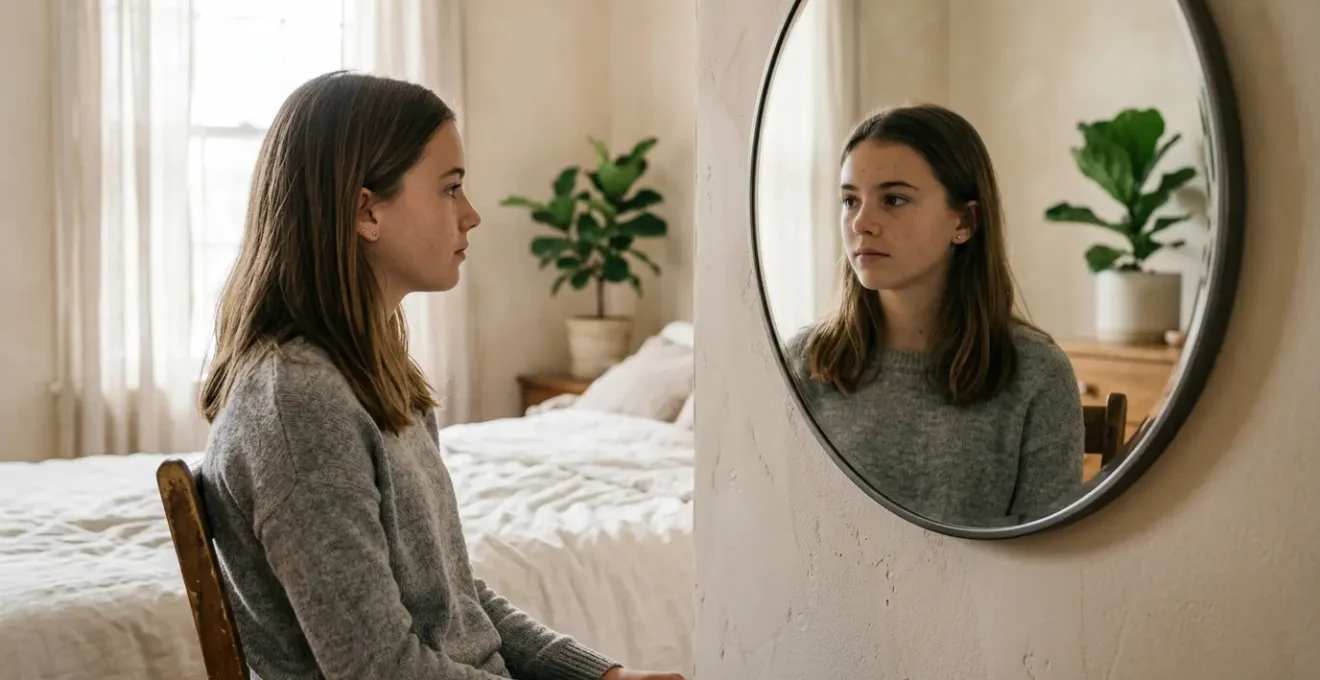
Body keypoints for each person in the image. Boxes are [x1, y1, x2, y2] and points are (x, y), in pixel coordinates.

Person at [198, 71, 684, 680]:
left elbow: (455, 603)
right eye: (450, 189)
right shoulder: (299, 404)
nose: (472, 214)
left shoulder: (378, 376)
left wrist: (601, 677)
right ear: (365, 211)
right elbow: (382, 671)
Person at [784, 103, 1084, 526]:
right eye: (849, 201)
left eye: (894, 199)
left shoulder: (1037, 374)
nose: (861, 223)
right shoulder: (804, 362)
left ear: (964, 220)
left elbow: (1050, 555)